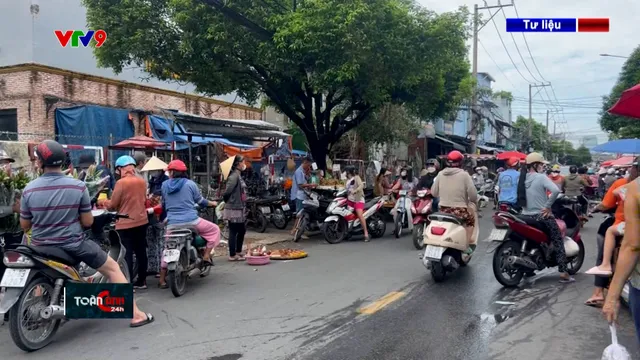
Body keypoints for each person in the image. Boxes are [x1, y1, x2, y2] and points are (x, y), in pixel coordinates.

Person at [20, 140, 153, 327]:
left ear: (40, 162)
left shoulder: (29, 189)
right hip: (72, 244)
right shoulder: (77, 186)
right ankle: (137, 315)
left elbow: (25, 224)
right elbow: (88, 222)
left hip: (39, 246)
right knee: (113, 268)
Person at [158, 159, 219, 287]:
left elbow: (163, 204)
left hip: (172, 223)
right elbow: (200, 200)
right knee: (215, 230)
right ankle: (207, 256)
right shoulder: (190, 184)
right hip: (192, 221)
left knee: (168, 248)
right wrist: (212, 203)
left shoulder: (164, 185)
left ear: (173, 172)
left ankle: (162, 280)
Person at [517, 152, 573, 283]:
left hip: (524, 216)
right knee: (558, 238)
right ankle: (564, 272)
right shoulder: (541, 177)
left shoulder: (522, 177)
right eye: (541, 164)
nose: (543, 166)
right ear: (536, 165)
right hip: (540, 216)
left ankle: (529, 268)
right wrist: (548, 207)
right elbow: (555, 191)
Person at [603, 161, 640, 343]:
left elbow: (632, 245)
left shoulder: (633, 187)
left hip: (623, 227)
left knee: (608, 232)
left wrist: (611, 297)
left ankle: (603, 264)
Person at [100, 156, 150, 289]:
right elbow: (144, 200)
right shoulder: (141, 181)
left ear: (121, 168)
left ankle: (127, 283)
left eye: (118, 170)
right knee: (140, 251)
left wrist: (102, 202)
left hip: (125, 223)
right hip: (142, 221)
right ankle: (142, 280)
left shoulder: (121, 183)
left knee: (126, 252)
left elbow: (113, 204)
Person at [586, 162, 638, 278]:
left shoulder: (626, 184)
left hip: (627, 224)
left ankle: (605, 265)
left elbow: (607, 203)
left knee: (609, 231)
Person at [431, 150, 478, 249]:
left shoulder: (440, 174)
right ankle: (466, 246)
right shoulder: (464, 175)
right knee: (470, 222)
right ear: (461, 162)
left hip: (443, 210)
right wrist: (471, 200)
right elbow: (473, 196)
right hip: (460, 210)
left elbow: (434, 193)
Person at [223, 156, 249, 261]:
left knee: (241, 230)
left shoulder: (238, 175)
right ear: (238, 163)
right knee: (233, 230)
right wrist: (227, 201)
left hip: (239, 207)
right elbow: (227, 191)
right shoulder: (234, 176)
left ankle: (238, 251)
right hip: (233, 207)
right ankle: (232, 254)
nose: (244, 163)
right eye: (243, 161)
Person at [291, 157, 316, 237]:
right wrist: (311, 185)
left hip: (304, 195)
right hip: (298, 195)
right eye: (308, 165)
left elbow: (306, 181)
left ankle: (301, 229)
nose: (309, 167)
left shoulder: (303, 171)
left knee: (302, 212)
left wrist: (308, 174)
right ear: (305, 162)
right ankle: (294, 229)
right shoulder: (299, 172)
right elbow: (300, 185)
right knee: (299, 213)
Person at [344, 166, 369, 241]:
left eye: (346, 171)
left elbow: (361, 185)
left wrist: (355, 190)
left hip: (358, 199)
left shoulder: (356, 177)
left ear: (349, 172)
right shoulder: (347, 180)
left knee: (359, 215)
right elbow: (346, 189)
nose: (345, 172)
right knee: (346, 215)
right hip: (350, 200)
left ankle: (366, 233)